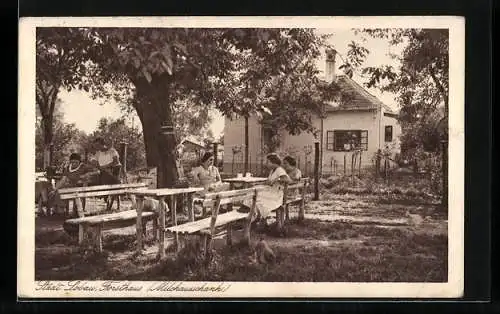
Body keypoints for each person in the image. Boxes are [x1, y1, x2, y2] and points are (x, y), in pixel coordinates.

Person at [240, 154, 292, 225]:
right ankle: (249, 216)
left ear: (274, 162)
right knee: (253, 192)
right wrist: (258, 184)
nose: (266, 164)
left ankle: (248, 215)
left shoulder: (279, 170)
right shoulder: (272, 171)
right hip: (270, 192)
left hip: (276, 195)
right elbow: (268, 182)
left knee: (254, 194)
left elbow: (287, 180)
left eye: (268, 162)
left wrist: (276, 180)